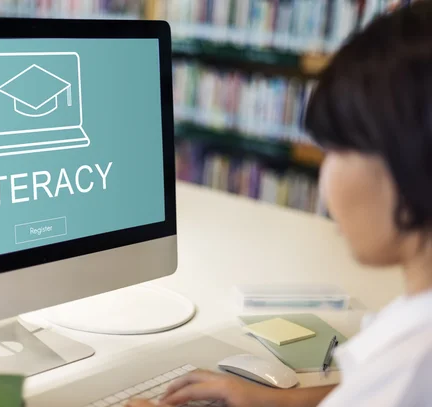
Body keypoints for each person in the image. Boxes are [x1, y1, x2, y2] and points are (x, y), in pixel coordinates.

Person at [127, 1, 432, 406]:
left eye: (335, 150)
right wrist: (284, 402)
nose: (326, 180)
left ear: (407, 160)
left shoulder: (410, 365)